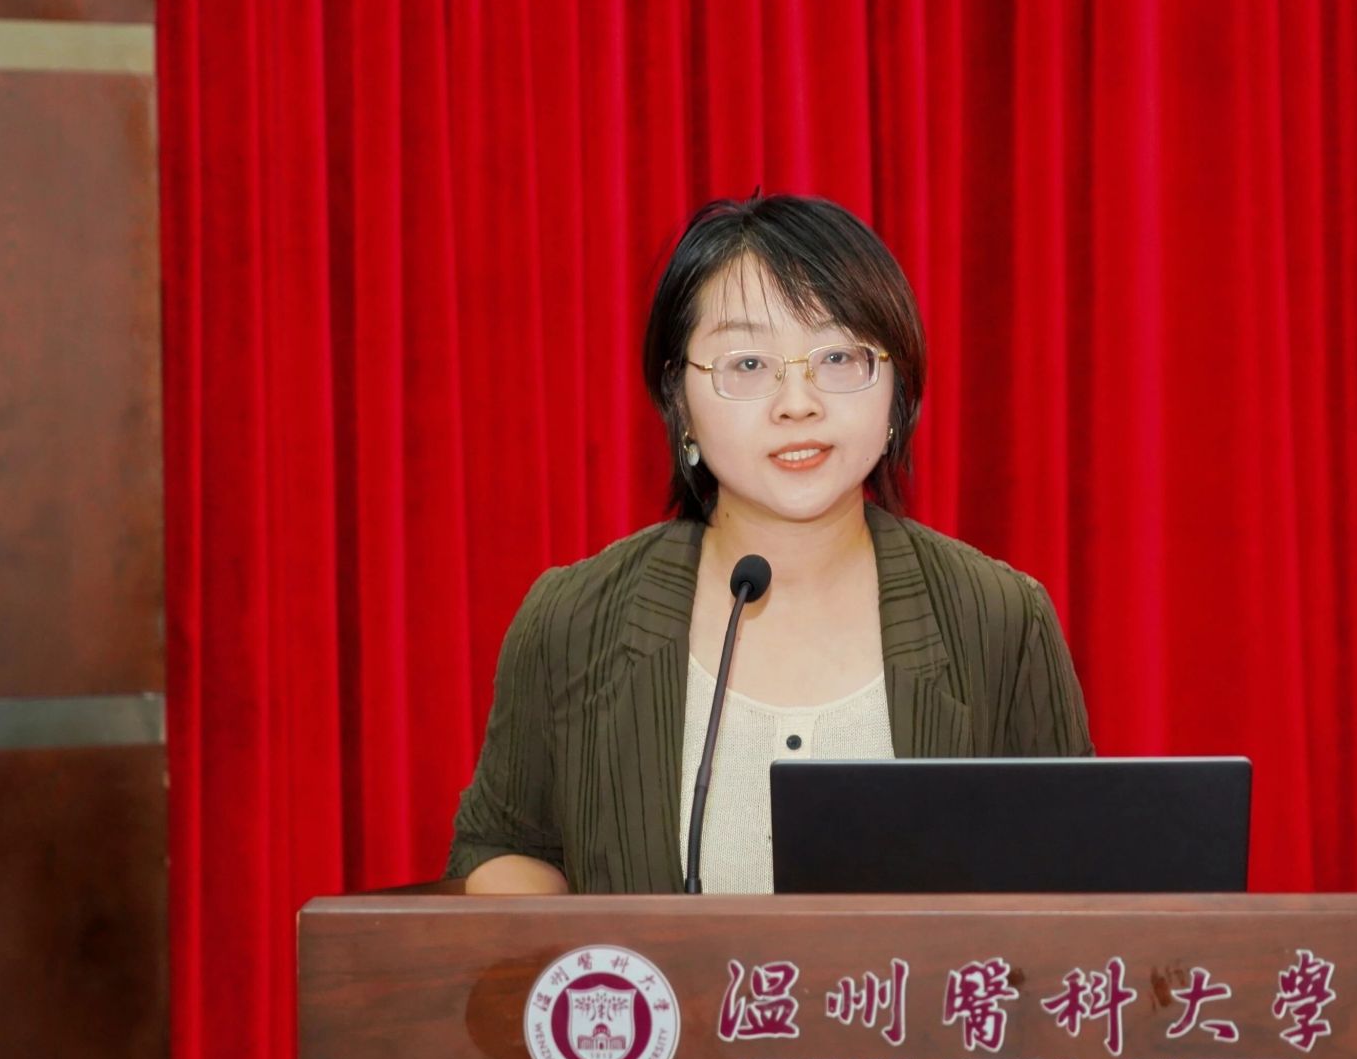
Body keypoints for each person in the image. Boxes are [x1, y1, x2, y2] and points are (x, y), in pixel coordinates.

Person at [447, 193, 1093, 894]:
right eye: (749, 364)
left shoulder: (998, 618)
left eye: (838, 356)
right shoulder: (574, 620)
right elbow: (503, 847)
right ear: (680, 401)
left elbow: (1077, 877)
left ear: (896, 389)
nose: (797, 403)